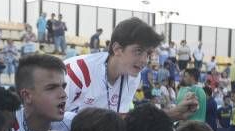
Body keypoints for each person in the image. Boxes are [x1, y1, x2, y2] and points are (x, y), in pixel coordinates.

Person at [64, 18, 196, 120]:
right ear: (117, 49)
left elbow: (120, 122)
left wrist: (172, 114)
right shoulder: (77, 71)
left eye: (148, 54)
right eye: (138, 51)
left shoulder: (132, 76)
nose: (145, 60)